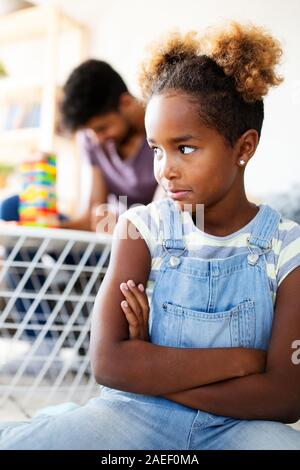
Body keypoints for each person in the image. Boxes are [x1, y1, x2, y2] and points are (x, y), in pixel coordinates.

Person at [1, 22, 300, 450]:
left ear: (244, 147)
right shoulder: (142, 229)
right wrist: (242, 362)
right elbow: (109, 363)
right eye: (157, 148)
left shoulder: (287, 246)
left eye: (186, 148)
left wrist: (152, 370)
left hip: (239, 429)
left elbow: (285, 397)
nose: (165, 169)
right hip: (135, 413)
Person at [0, 60, 161, 233]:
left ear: (126, 103)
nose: (96, 139)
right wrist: (40, 231)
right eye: (90, 131)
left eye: (102, 128)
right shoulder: (92, 138)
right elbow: (91, 218)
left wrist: (126, 225)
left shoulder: (161, 128)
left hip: (146, 233)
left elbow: (166, 214)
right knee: (11, 208)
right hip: (111, 232)